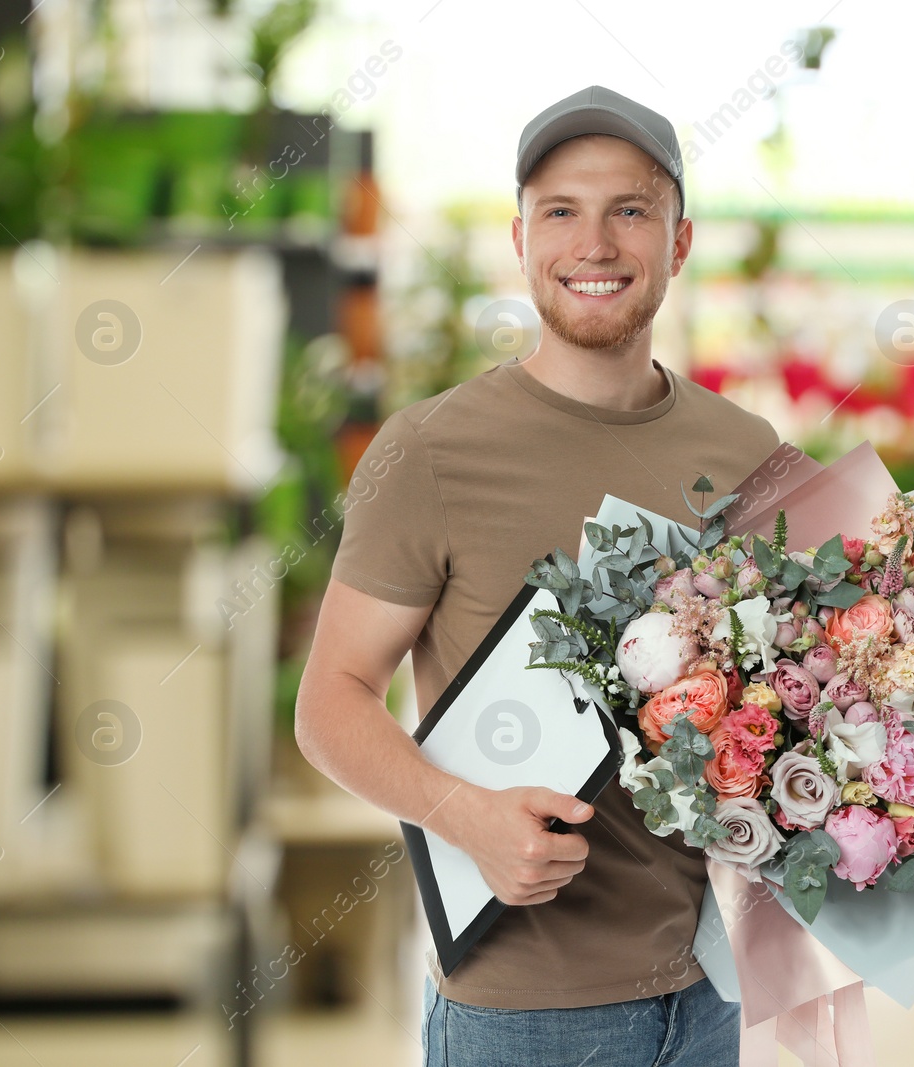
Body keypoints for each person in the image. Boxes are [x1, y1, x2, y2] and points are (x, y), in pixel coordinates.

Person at [294, 85, 779, 1066]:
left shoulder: (745, 450)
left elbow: (764, 698)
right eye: (560, 210)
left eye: (629, 210)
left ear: (679, 242)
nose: (593, 244)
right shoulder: (429, 451)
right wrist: (461, 813)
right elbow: (330, 704)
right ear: (520, 240)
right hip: (521, 1018)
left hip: (707, 993)